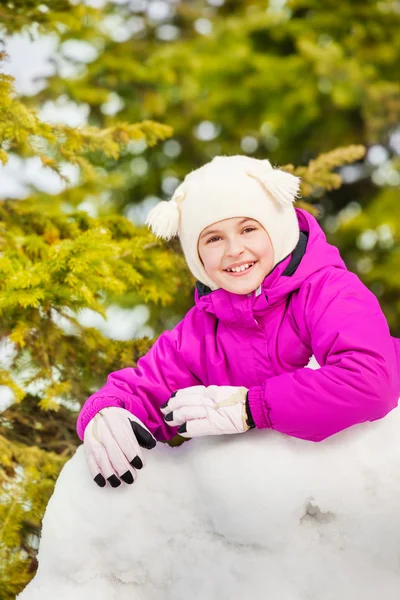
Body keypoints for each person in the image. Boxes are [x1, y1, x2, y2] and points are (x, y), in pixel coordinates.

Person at [77, 155, 400, 488]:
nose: (234, 250)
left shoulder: (328, 291)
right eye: (213, 238)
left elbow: (372, 381)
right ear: (197, 255)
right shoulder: (201, 332)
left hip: (375, 483)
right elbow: (141, 389)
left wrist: (252, 407)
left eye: (248, 229)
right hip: (282, 507)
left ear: (276, 229)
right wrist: (105, 412)